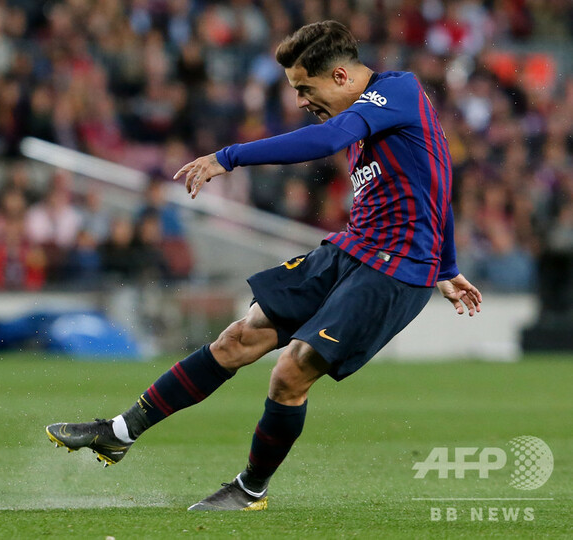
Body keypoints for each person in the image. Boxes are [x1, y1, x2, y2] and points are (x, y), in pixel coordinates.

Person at [46, 21, 483, 511]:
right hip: (351, 250)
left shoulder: (397, 91)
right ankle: (119, 432)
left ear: (341, 76)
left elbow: (328, 141)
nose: (299, 101)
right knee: (238, 338)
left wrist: (228, 157)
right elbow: (435, 182)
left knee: (290, 371)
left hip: (394, 270)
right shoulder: (370, 117)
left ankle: (250, 489)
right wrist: (448, 267)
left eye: (305, 88)